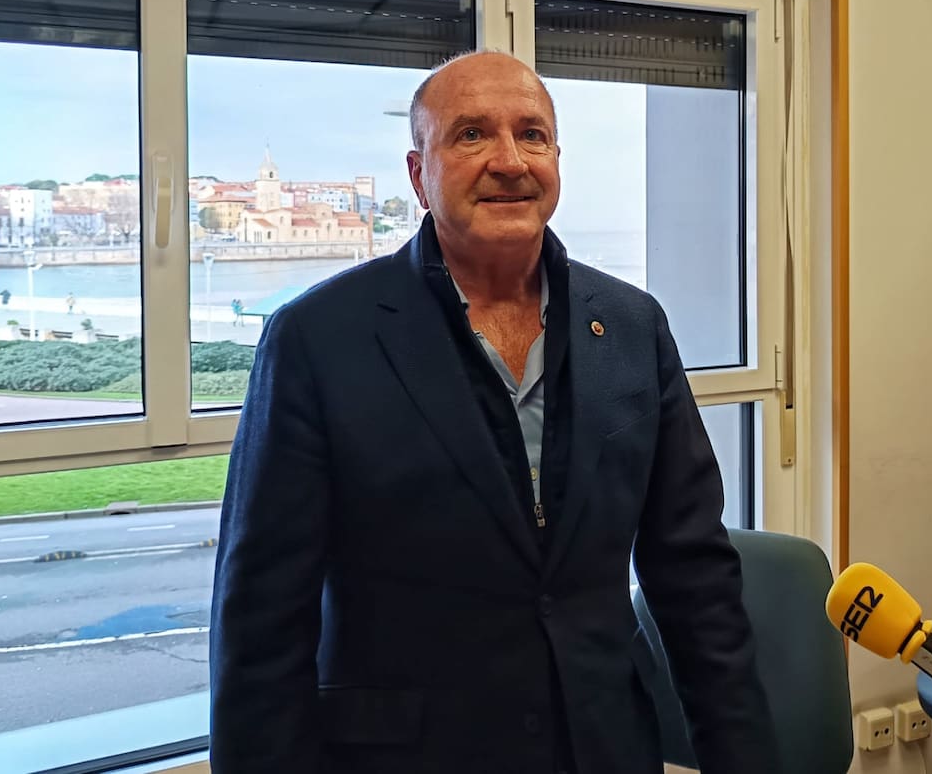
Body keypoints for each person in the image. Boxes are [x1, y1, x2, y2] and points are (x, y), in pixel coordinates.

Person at [210, 51, 775, 774]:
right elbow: (261, 621)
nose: (509, 161)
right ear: (419, 174)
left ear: (557, 160)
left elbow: (693, 578)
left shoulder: (632, 327)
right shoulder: (318, 339)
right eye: (471, 134)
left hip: (602, 748)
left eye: (532, 135)